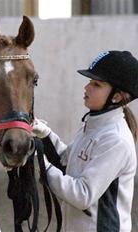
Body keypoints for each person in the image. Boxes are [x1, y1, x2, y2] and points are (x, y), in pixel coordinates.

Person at [32, 50, 138, 232]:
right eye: (89, 82)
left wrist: (39, 161)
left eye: (96, 84)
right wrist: (45, 134)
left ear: (117, 96)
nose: (87, 88)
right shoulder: (92, 125)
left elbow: (83, 195)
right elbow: (67, 162)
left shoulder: (116, 140)